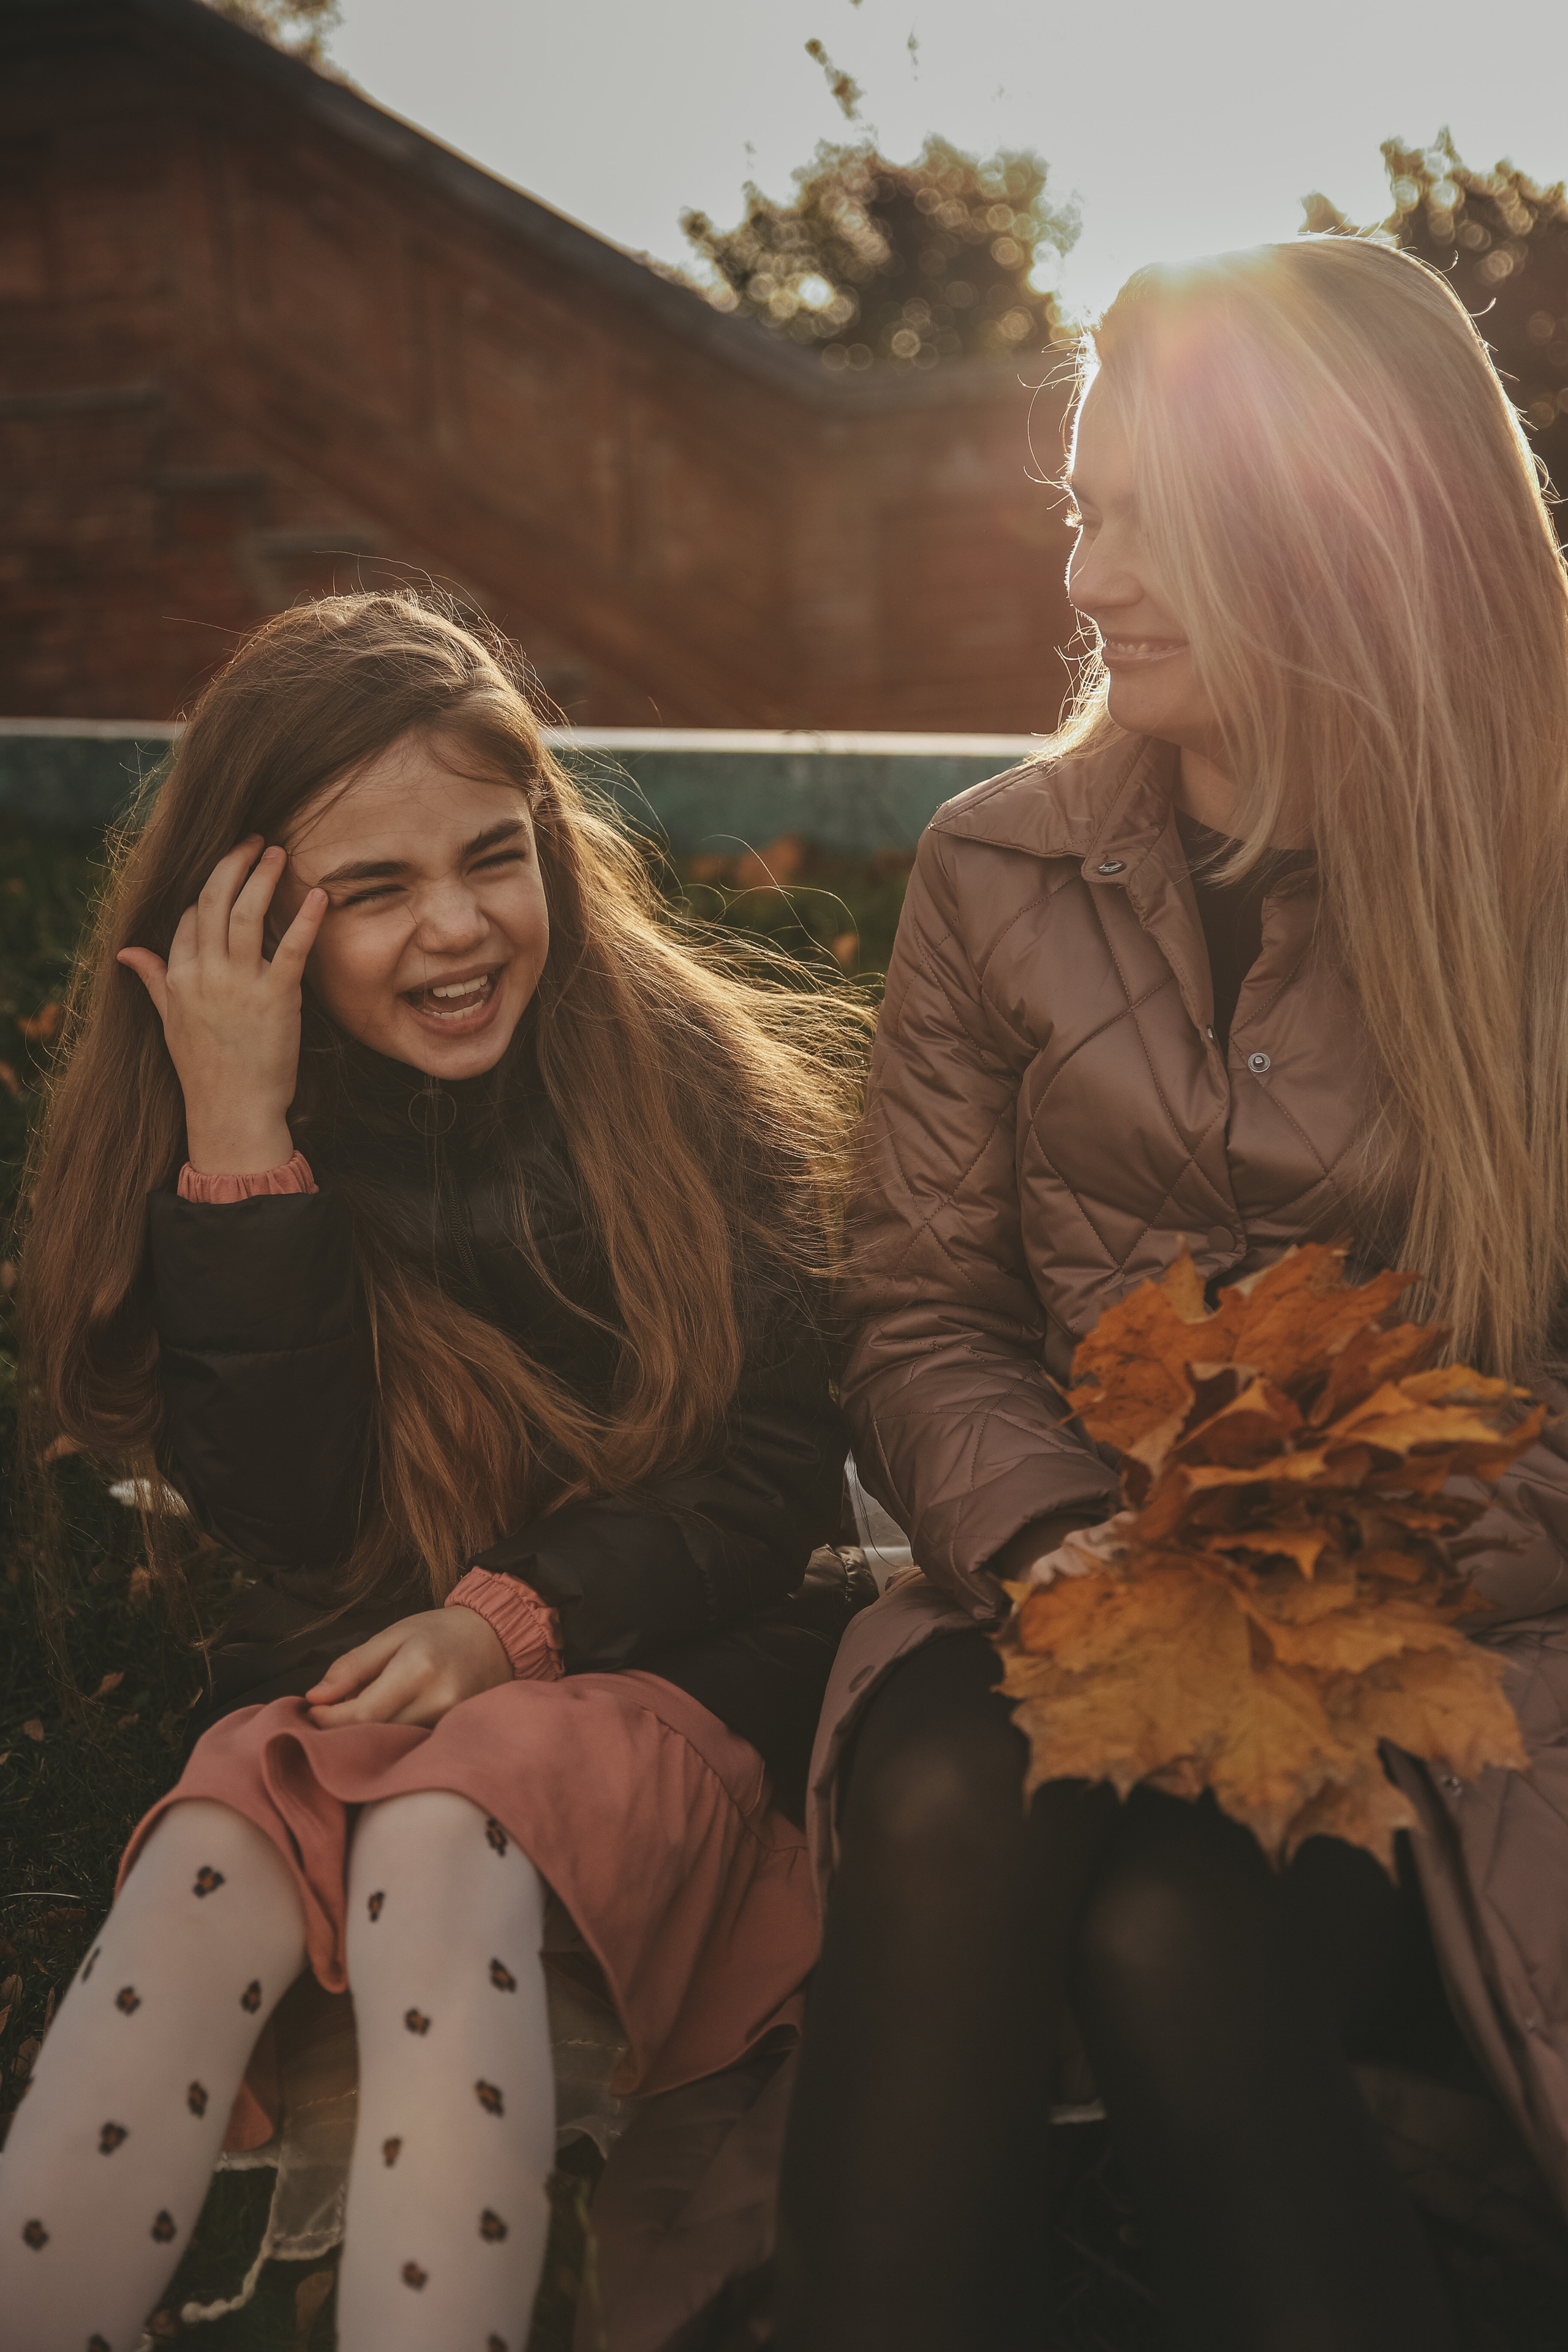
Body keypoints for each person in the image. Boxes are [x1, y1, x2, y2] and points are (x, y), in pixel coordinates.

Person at [775, 235, 1568, 2352]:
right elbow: (918, 1305)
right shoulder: (996, 867)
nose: (1094, 577)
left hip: (1434, 1676)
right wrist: (1053, 1546)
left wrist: (1334, 1565)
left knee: (1167, 1931)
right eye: (1081, 514)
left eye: (1156, 524)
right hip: (1055, 1587)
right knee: (951, 1784)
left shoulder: (1546, 891)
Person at [0, 592, 869, 2352]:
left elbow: (777, 1473)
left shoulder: (671, 1072)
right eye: (374, 892)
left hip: (674, 1675)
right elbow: (300, 1528)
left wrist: (518, 1621)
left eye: (495, 857)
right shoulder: (225, 1126)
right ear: (253, 916)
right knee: (211, 1852)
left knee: (445, 1828)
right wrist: (243, 1148)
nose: (461, 928)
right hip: (371, 1686)